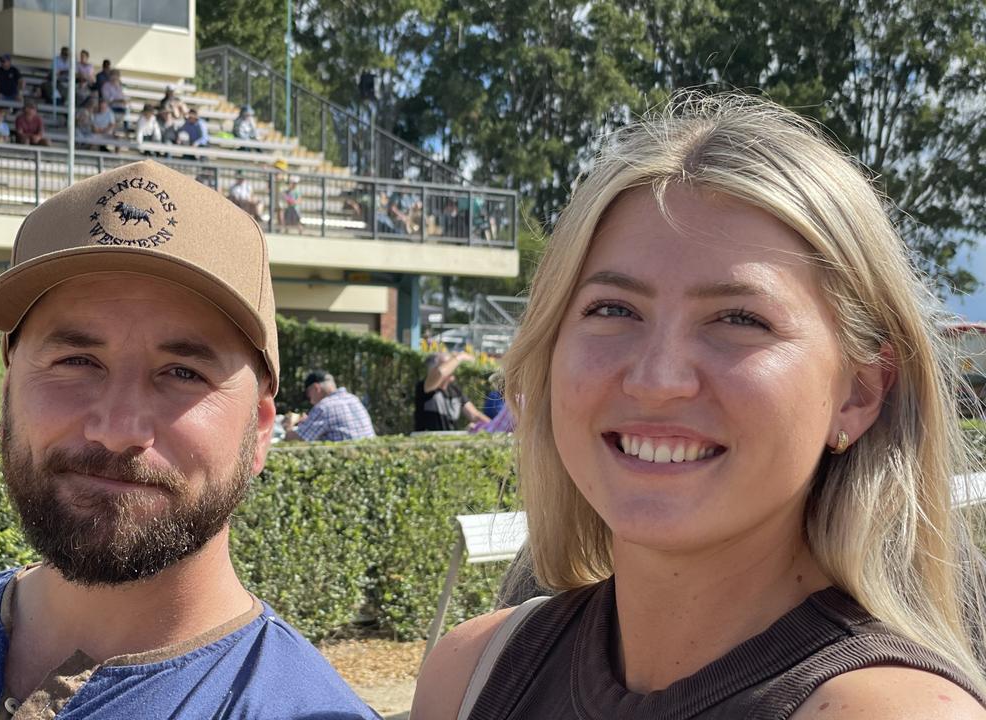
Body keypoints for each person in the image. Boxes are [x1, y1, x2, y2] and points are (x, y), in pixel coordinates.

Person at [411, 93, 986, 720]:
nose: (658, 380)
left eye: (740, 319)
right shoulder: (467, 676)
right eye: (613, 310)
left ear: (859, 393)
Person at [0, 159, 379, 720]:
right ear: (8, 392)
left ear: (261, 433)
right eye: (76, 360)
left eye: (183, 373)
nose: (118, 428)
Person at [283, 371, 376, 442]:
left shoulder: (323, 407)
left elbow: (296, 440)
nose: (309, 400)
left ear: (316, 388)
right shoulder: (353, 398)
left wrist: (288, 425)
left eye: (308, 393)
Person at [413, 351, 490, 432]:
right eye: (448, 363)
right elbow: (440, 372)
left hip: (448, 441)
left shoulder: (455, 390)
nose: (453, 367)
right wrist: (460, 356)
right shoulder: (424, 387)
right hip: (425, 440)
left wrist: (495, 426)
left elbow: (474, 415)